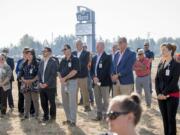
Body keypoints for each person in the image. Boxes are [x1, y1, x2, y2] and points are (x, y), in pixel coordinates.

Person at [155, 43, 180, 135]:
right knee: (165, 119)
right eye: (161, 50)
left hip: (172, 95)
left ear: (170, 51)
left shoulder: (176, 65)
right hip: (161, 96)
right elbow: (156, 79)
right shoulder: (161, 64)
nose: (162, 51)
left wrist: (164, 93)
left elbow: (174, 82)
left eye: (164, 50)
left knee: (171, 119)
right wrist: (158, 94)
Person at [58, 44, 79, 127]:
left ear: (70, 49)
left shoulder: (75, 59)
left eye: (65, 49)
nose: (64, 51)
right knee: (65, 102)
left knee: (72, 102)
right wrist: (61, 79)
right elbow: (58, 71)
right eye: (63, 50)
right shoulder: (62, 60)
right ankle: (68, 119)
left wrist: (65, 78)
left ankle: (73, 121)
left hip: (72, 82)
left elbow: (75, 71)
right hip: (64, 83)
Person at [91, 41, 112, 121]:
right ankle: (98, 115)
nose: (96, 48)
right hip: (95, 82)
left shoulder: (107, 57)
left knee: (106, 100)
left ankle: (106, 116)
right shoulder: (94, 58)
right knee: (97, 99)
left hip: (104, 82)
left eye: (98, 46)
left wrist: (98, 78)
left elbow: (106, 70)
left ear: (103, 47)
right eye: (96, 46)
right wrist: (93, 78)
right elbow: (91, 70)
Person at [38, 47, 57, 122]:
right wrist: (40, 82)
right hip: (41, 86)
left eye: (45, 51)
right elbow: (39, 73)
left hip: (50, 86)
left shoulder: (53, 61)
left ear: (49, 52)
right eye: (43, 51)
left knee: (52, 102)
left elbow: (53, 75)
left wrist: (46, 84)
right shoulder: (41, 61)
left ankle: (52, 117)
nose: (43, 52)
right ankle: (45, 115)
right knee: (43, 102)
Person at [20, 49, 39, 120]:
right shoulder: (24, 63)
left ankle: (37, 115)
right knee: (27, 100)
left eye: (30, 54)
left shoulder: (37, 63)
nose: (28, 55)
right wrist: (24, 80)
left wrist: (32, 80)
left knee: (35, 100)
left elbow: (38, 74)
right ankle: (26, 115)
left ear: (33, 55)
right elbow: (20, 74)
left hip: (34, 84)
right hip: (25, 85)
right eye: (27, 54)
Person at [72, 40, 91, 112]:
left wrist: (75, 68)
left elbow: (84, 63)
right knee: (74, 92)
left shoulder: (86, 53)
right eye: (77, 44)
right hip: (74, 77)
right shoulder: (73, 53)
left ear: (82, 45)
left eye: (79, 44)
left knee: (84, 92)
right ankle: (74, 106)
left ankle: (87, 106)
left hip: (83, 76)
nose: (78, 45)